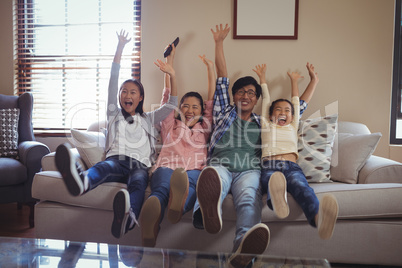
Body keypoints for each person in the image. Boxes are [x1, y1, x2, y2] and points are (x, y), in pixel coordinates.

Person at [54, 30, 178, 239]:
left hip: (139, 165)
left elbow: (172, 104)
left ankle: (129, 218)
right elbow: (113, 78)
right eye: (124, 91)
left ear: (140, 98)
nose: (127, 95)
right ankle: (82, 183)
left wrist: (172, 73)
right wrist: (120, 48)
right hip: (117, 160)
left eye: (132, 92)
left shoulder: (149, 118)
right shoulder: (113, 114)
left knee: (138, 183)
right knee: (103, 167)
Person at [139, 48, 215, 247]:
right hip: (166, 167)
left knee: (191, 186)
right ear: (179, 109)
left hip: (193, 171)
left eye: (195, 107)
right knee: (162, 189)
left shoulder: (205, 128)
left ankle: (174, 207)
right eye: (185, 106)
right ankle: (153, 217)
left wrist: (210, 69)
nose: (190, 111)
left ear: (201, 111)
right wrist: (169, 63)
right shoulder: (169, 125)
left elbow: (211, 101)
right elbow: (168, 99)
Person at [255, 63, 339, 240]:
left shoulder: (293, 126)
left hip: (292, 167)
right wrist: (262, 80)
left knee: (302, 188)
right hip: (269, 165)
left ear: (293, 117)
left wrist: (295, 81)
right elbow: (266, 100)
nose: (283, 112)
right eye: (278, 110)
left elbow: (296, 101)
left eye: (287, 111)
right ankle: (278, 202)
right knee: (271, 180)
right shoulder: (266, 124)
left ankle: (318, 218)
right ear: (270, 115)